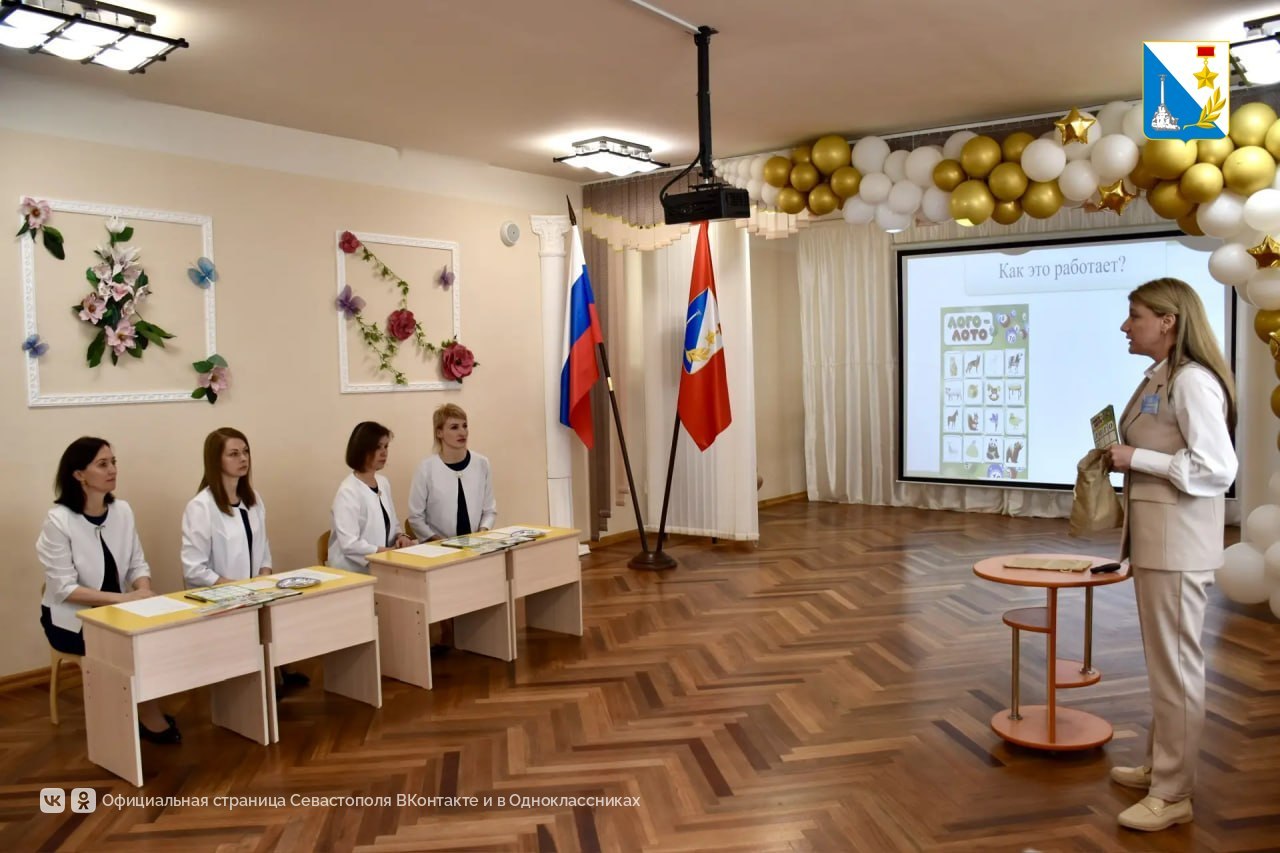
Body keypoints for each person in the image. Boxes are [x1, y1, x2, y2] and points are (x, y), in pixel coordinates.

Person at [1106, 278, 1237, 832]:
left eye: (1134, 315)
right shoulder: (1160, 376)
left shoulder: (1192, 381)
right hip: (1161, 544)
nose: (1125, 326)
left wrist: (1137, 458)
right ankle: (1161, 767)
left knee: (1177, 671)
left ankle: (1173, 793)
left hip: (1179, 547)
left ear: (1168, 321)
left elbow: (1217, 469)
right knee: (1167, 668)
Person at [37, 437, 180, 744]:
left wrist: (143, 592)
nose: (112, 469)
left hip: (120, 609)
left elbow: (137, 563)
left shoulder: (122, 510)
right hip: (72, 619)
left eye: (114, 462)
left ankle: (139, 707)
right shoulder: (58, 521)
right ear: (79, 474)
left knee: (160, 635)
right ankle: (142, 714)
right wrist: (126, 599)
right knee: (126, 646)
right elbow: (64, 588)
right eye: (102, 464)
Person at [181, 428, 272, 587]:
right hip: (220, 594)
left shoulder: (254, 499)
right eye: (234, 454)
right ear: (216, 461)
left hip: (257, 592)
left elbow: (263, 550)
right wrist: (237, 588)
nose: (243, 458)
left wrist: (264, 578)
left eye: (245, 451)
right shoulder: (201, 507)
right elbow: (194, 569)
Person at [329, 421, 414, 572]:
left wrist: (401, 536)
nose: (384, 453)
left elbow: (392, 523)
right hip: (352, 572)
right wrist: (386, 552)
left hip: (383, 564)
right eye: (377, 447)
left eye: (386, 446)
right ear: (362, 450)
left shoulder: (383, 482)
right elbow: (350, 544)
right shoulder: (348, 491)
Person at [408, 404, 497, 541]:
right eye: (454, 427)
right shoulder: (426, 468)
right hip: (438, 547)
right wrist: (439, 543)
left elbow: (489, 510)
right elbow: (416, 517)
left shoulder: (482, 463)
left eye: (465, 426)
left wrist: (482, 533)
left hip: (477, 544)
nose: (462, 432)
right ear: (439, 433)